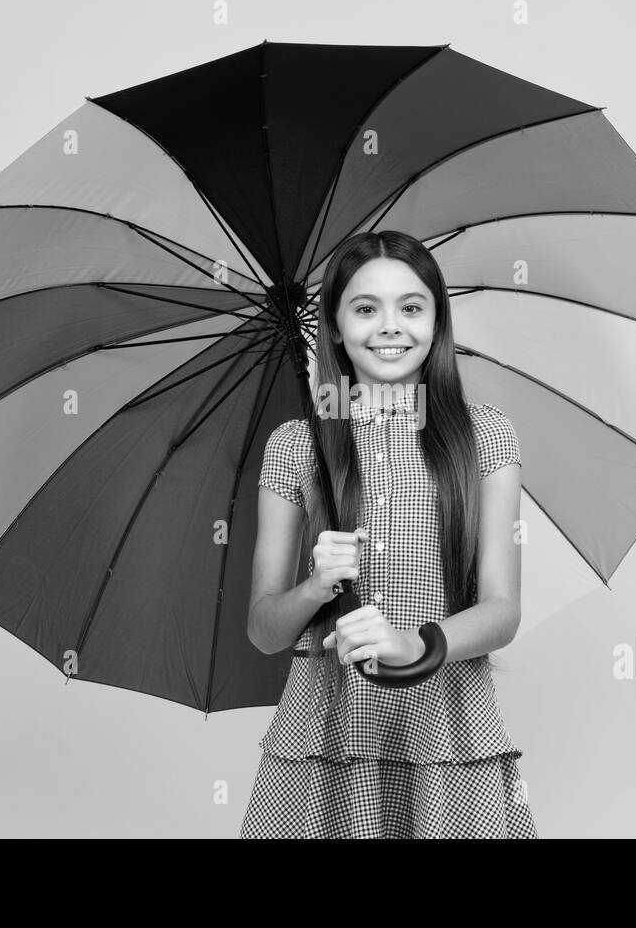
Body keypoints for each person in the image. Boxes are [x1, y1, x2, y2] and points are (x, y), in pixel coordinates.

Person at [239, 230, 537, 838]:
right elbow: (264, 631)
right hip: (328, 727)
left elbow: (502, 610)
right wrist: (317, 587)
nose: (390, 327)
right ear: (337, 325)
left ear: (436, 320)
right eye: (366, 308)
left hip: (446, 722)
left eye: (411, 307)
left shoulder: (485, 438)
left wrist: (415, 648)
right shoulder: (298, 445)